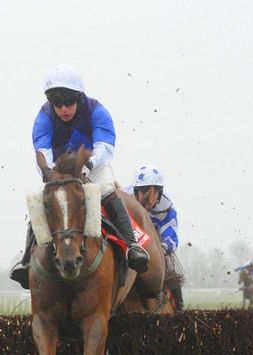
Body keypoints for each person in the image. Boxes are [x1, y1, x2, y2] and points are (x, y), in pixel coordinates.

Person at [10, 64, 149, 288]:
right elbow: (42, 150)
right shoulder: (44, 116)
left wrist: (87, 166)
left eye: (68, 102)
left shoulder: (96, 111)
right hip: (60, 169)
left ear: (79, 97)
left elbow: (105, 146)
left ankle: (133, 246)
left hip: (94, 164)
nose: (63, 109)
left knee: (106, 189)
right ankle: (26, 261)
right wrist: (49, 173)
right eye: (57, 104)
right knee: (40, 199)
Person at [125, 164, 184, 310]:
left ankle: (179, 308)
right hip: (128, 248)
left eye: (156, 192)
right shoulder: (123, 200)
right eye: (144, 191)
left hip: (156, 250)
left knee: (170, 269)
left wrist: (160, 250)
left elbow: (171, 237)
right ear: (135, 190)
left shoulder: (166, 208)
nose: (150, 199)